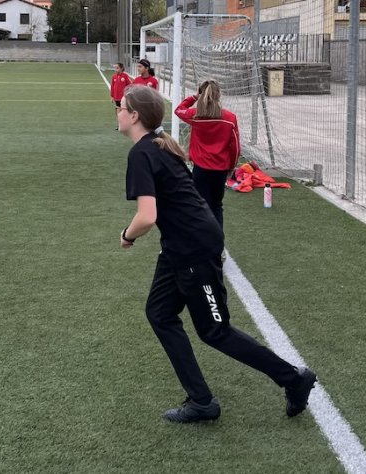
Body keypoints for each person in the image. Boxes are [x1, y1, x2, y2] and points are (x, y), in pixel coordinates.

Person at [117, 84, 317, 423]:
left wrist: (127, 236)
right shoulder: (156, 146)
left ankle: (293, 378)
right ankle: (201, 400)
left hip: (195, 249)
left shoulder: (144, 152)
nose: (117, 112)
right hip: (179, 248)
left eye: (121, 107)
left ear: (134, 116)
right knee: (160, 314)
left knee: (214, 330)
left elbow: (147, 216)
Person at [174, 80, 240, 230]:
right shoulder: (230, 118)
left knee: (201, 206)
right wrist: (231, 167)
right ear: (219, 95)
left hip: (201, 169)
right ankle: (218, 244)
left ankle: (202, 242)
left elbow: (179, 110)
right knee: (216, 205)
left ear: (201, 95)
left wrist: (194, 97)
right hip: (220, 170)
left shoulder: (196, 116)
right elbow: (235, 148)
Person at [110, 63, 132, 130]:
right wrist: (112, 96)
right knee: (117, 111)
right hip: (116, 97)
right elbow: (112, 87)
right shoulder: (114, 76)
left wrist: (127, 94)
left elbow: (130, 85)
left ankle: (127, 125)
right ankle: (119, 125)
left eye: (117, 68)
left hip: (123, 98)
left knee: (124, 111)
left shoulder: (125, 76)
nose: (115, 69)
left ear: (121, 68)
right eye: (115, 68)